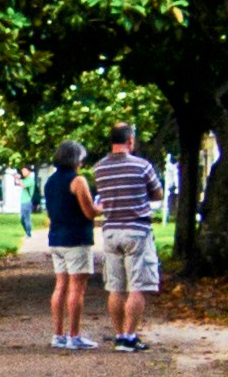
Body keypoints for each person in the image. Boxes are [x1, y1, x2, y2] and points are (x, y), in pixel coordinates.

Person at [85, 124, 161, 350]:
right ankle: (129, 336)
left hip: (111, 230)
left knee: (115, 286)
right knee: (137, 286)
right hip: (137, 229)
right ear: (130, 141)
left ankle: (119, 335)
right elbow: (157, 193)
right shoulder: (142, 166)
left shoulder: (99, 168)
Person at [39, 147, 95, 348]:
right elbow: (89, 211)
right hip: (77, 239)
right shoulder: (78, 181)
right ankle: (74, 335)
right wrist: (103, 207)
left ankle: (58, 335)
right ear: (75, 159)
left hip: (56, 238)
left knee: (60, 286)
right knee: (77, 289)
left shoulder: (50, 182)